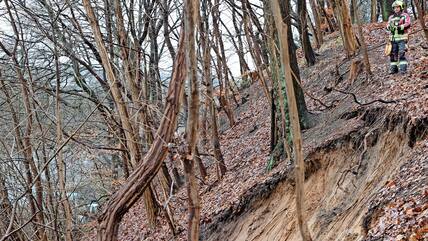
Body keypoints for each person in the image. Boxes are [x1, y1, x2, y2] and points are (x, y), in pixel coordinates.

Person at [386, 0, 411, 74]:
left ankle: (403, 69)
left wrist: (399, 27)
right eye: (394, 8)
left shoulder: (405, 15)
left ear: (401, 7)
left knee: (401, 53)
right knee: (393, 54)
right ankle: (394, 69)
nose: (396, 9)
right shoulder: (391, 17)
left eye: (397, 7)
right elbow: (387, 26)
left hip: (402, 39)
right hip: (393, 39)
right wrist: (389, 27)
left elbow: (408, 24)